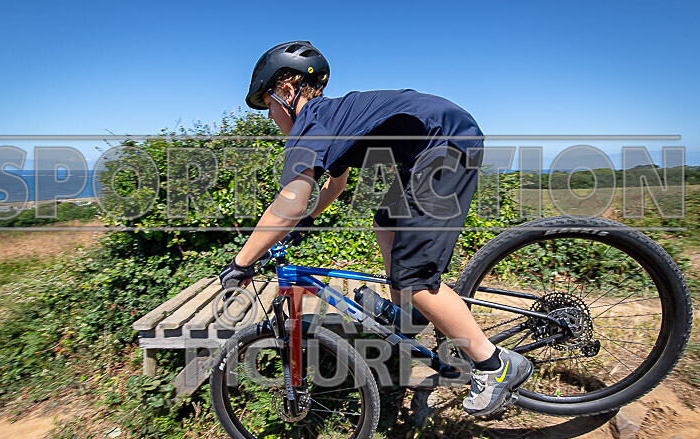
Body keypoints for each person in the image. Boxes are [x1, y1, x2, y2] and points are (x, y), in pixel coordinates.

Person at [219, 40, 532, 416]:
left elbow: (291, 199)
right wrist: (309, 218)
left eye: (268, 105)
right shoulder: (330, 119)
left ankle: (493, 365)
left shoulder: (311, 124)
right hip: (429, 146)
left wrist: (242, 262)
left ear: (287, 91)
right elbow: (335, 183)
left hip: (444, 144)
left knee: (413, 277)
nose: (270, 116)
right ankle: (410, 313)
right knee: (385, 222)